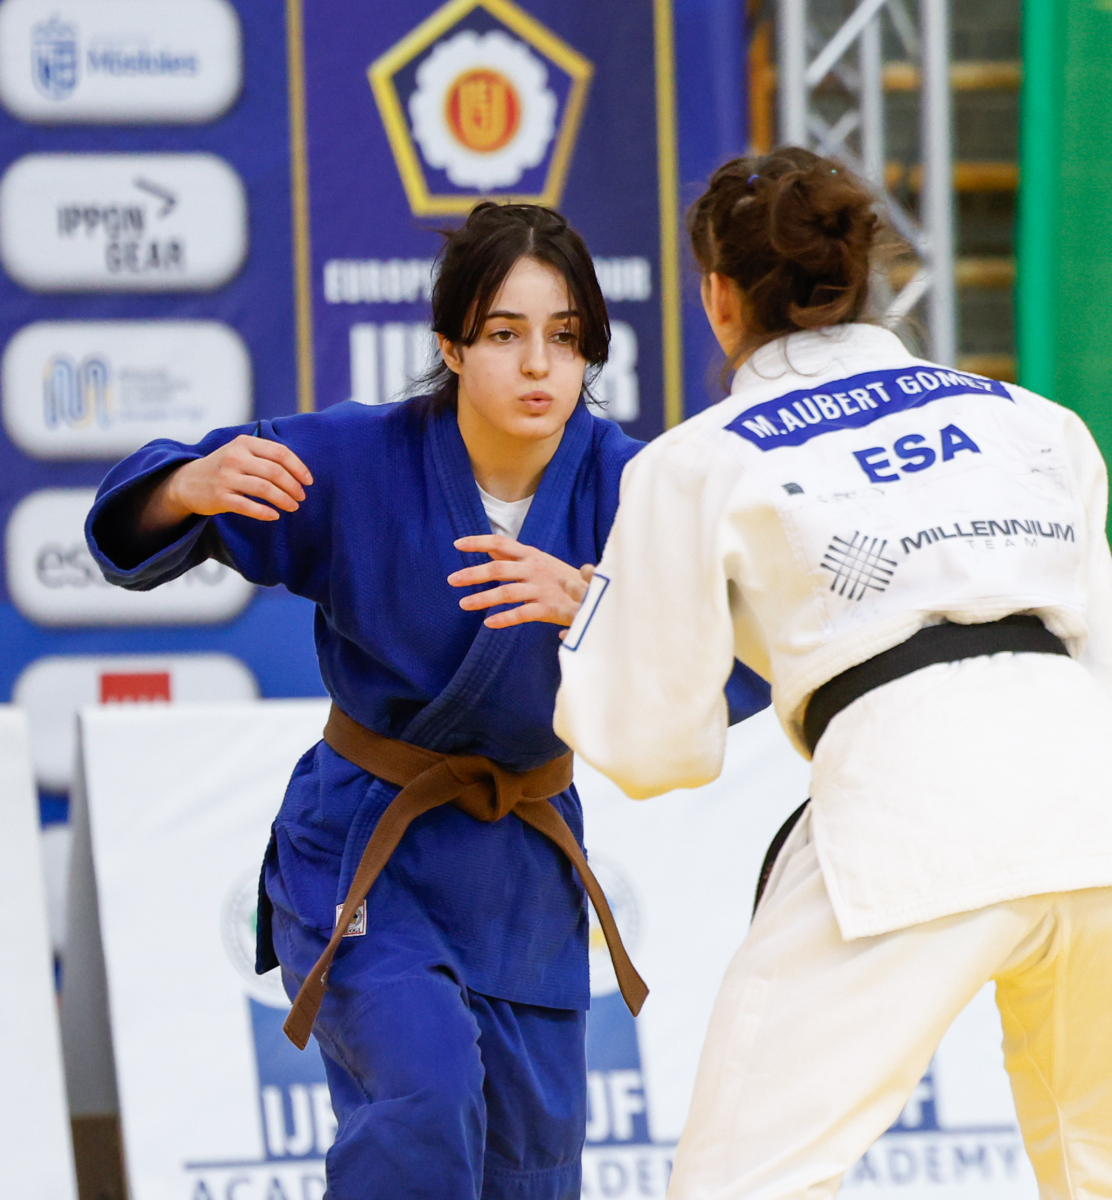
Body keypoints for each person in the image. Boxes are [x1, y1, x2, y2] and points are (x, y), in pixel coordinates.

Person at [553, 148, 1112, 1200]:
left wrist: (597, 614)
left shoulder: (698, 460)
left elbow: (653, 746)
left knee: (746, 1180)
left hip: (916, 809)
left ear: (719, 297)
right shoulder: (1032, 421)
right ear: (864, 278)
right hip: (1110, 810)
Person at [86, 202, 763, 1200]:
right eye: (504, 334)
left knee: (529, 1169)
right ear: (451, 345)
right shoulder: (359, 458)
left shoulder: (640, 489)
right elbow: (141, 523)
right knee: (424, 1097)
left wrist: (594, 606)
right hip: (367, 849)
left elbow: (745, 655)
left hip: (523, 876)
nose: (538, 366)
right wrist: (186, 485)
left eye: (564, 336)